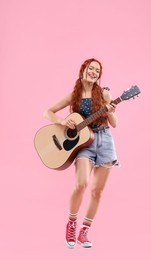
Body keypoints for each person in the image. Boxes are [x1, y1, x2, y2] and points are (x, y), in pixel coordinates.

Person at [43, 58, 118, 249]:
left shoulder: (103, 94)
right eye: (91, 68)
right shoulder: (73, 96)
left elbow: (115, 123)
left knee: (97, 192)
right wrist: (61, 122)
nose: (94, 72)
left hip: (105, 141)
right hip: (84, 143)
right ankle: (72, 223)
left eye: (97, 70)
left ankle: (84, 231)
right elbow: (48, 112)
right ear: (83, 70)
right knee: (81, 184)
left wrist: (109, 105)